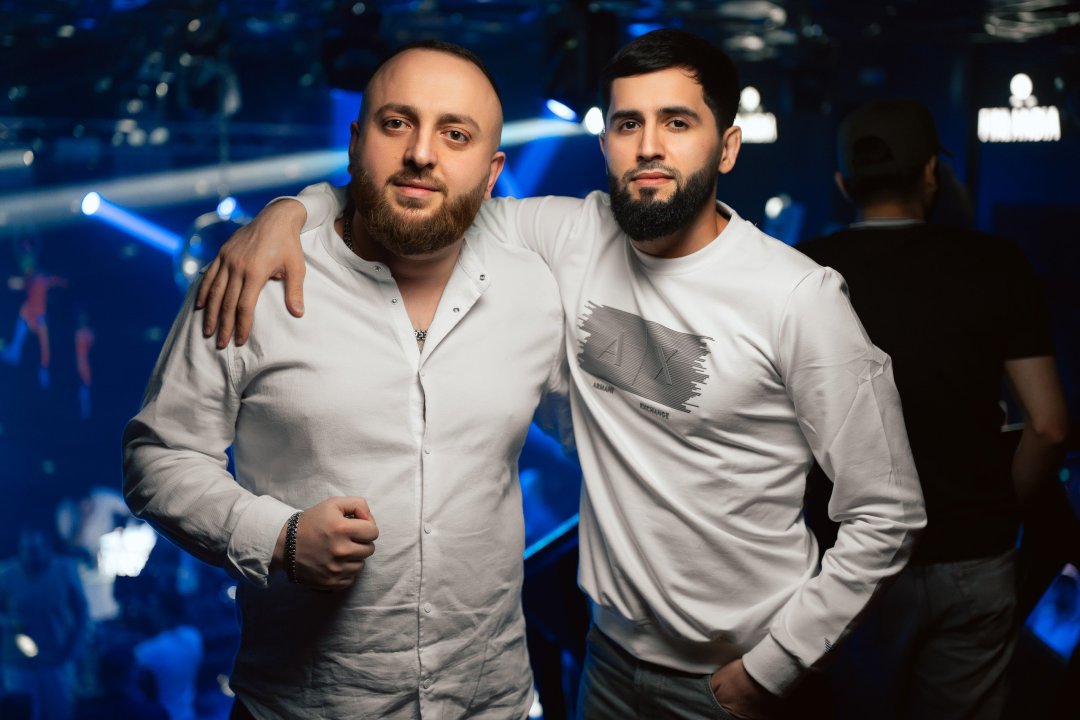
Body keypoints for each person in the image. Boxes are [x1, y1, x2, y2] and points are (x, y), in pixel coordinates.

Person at [197, 30, 926, 719]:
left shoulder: (798, 297)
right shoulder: (567, 234)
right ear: (605, 142)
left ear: (727, 146)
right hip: (607, 664)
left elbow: (888, 513)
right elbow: (419, 190)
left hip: (739, 676)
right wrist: (293, 210)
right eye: (628, 123)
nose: (649, 145)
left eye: (677, 122)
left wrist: (774, 669)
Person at [122, 40, 566, 719]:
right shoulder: (252, 280)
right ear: (357, 143)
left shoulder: (535, 290)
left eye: (456, 134)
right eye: (397, 123)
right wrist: (278, 536)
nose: (422, 153)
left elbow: (627, 427)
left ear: (491, 171)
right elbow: (158, 457)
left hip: (491, 704)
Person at [798, 98, 1069, 719]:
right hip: (973, 555)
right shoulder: (997, 264)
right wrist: (998, 514)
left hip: (848, 562)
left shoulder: (803, 270)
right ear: (929, 174)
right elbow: (1050, 426)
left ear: (843, 183)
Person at [0, 523, 90, 720]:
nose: (30, 555)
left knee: (59, 713)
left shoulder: (65, 570)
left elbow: (81, 611)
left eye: (35, 549)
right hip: (18, 663)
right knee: (22, 714)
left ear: (46, 547)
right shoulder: (6, 574)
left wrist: (75, 648)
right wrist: (7, 621)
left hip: (57, 659)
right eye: (26, 549)